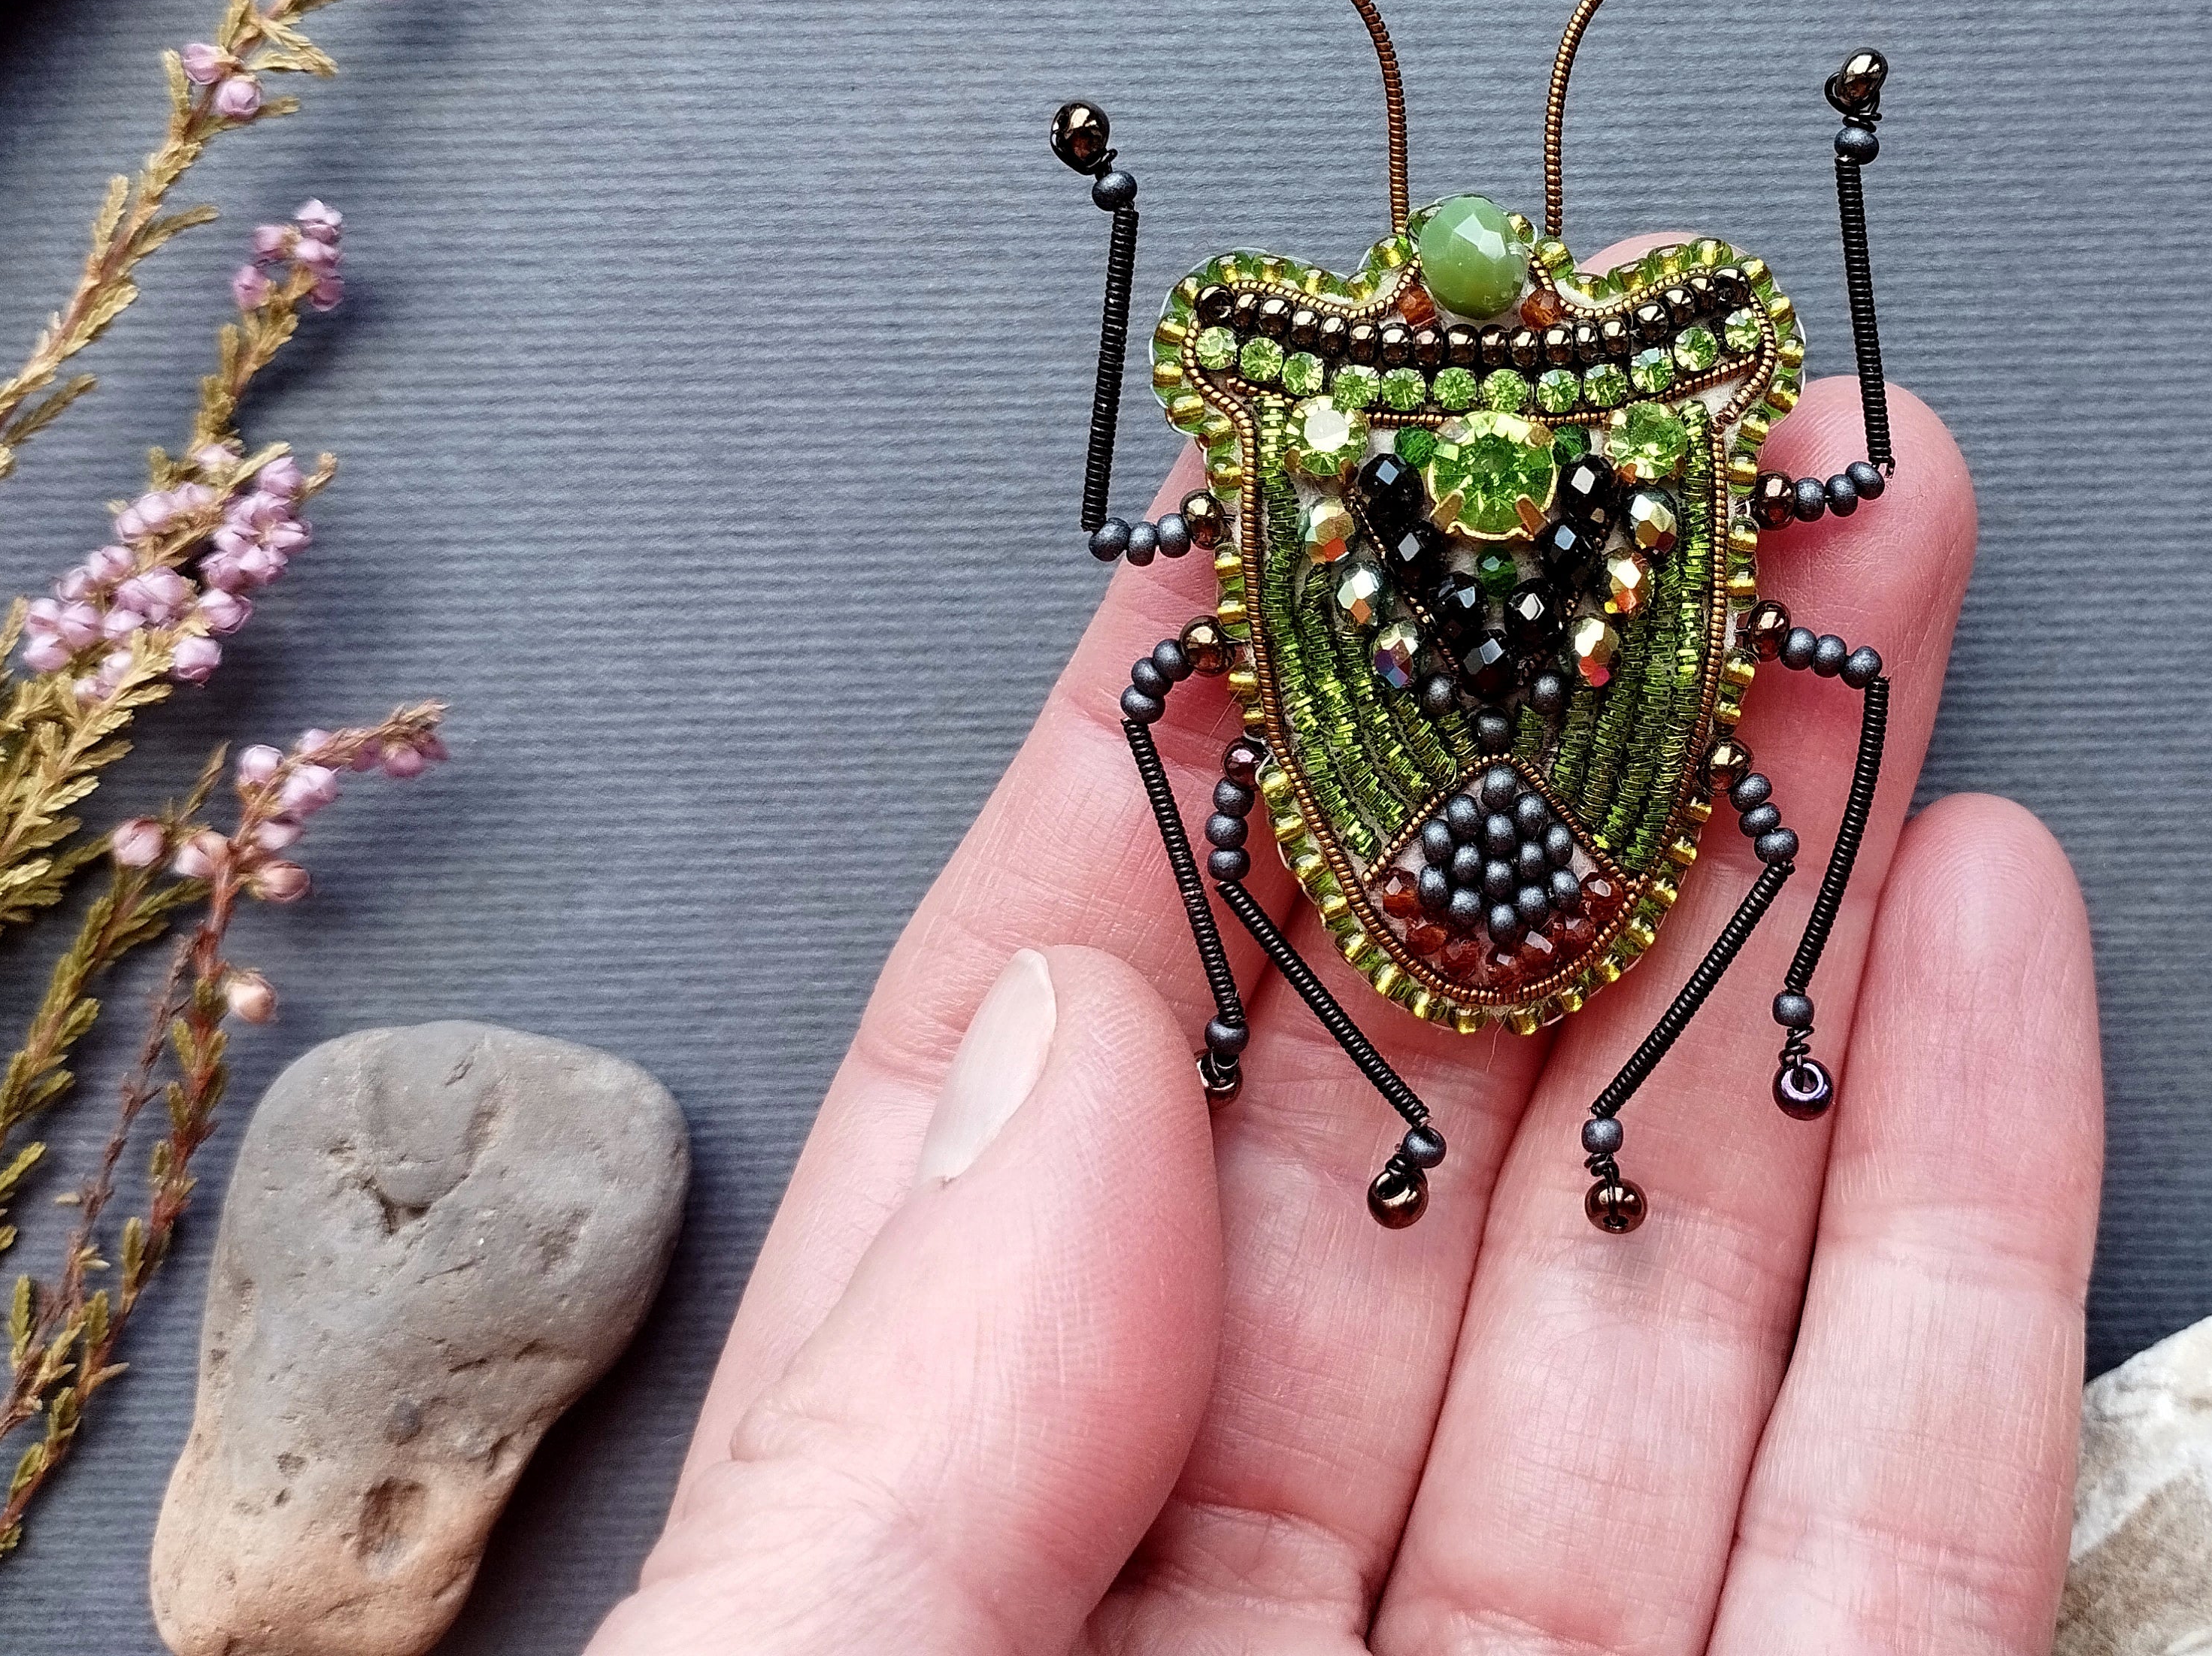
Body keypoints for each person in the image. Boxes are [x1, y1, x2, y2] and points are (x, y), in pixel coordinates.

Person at [589, 380, 2101, 1653]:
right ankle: (1652, 1073)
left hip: (1508, 826)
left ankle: (1580, 1076)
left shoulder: (1533, 517)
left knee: (1755, 820)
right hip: (1502, 831)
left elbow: (1855, 493)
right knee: (1748, 839)